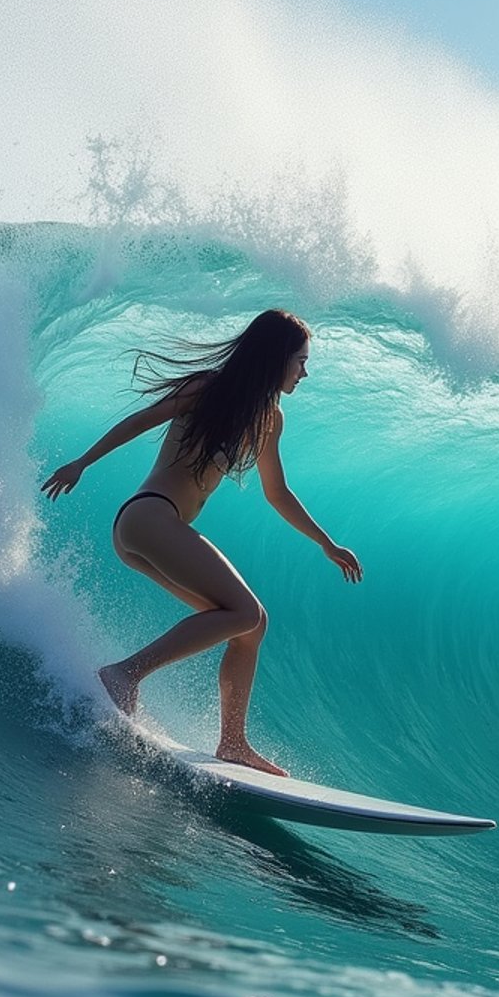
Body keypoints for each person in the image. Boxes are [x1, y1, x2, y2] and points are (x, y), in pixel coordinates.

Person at [41, 309, 362, 775]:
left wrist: (325, 544)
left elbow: (278, 493)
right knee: (247, 613)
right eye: (300, 361)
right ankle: (125, 674)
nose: (304, 372)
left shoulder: (269, 419)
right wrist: (82, 462)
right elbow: (141, 420)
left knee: (250, 627)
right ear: (276, 359)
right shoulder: (206, 388)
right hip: (148, 516)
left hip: (152, 530)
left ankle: (232, 743)